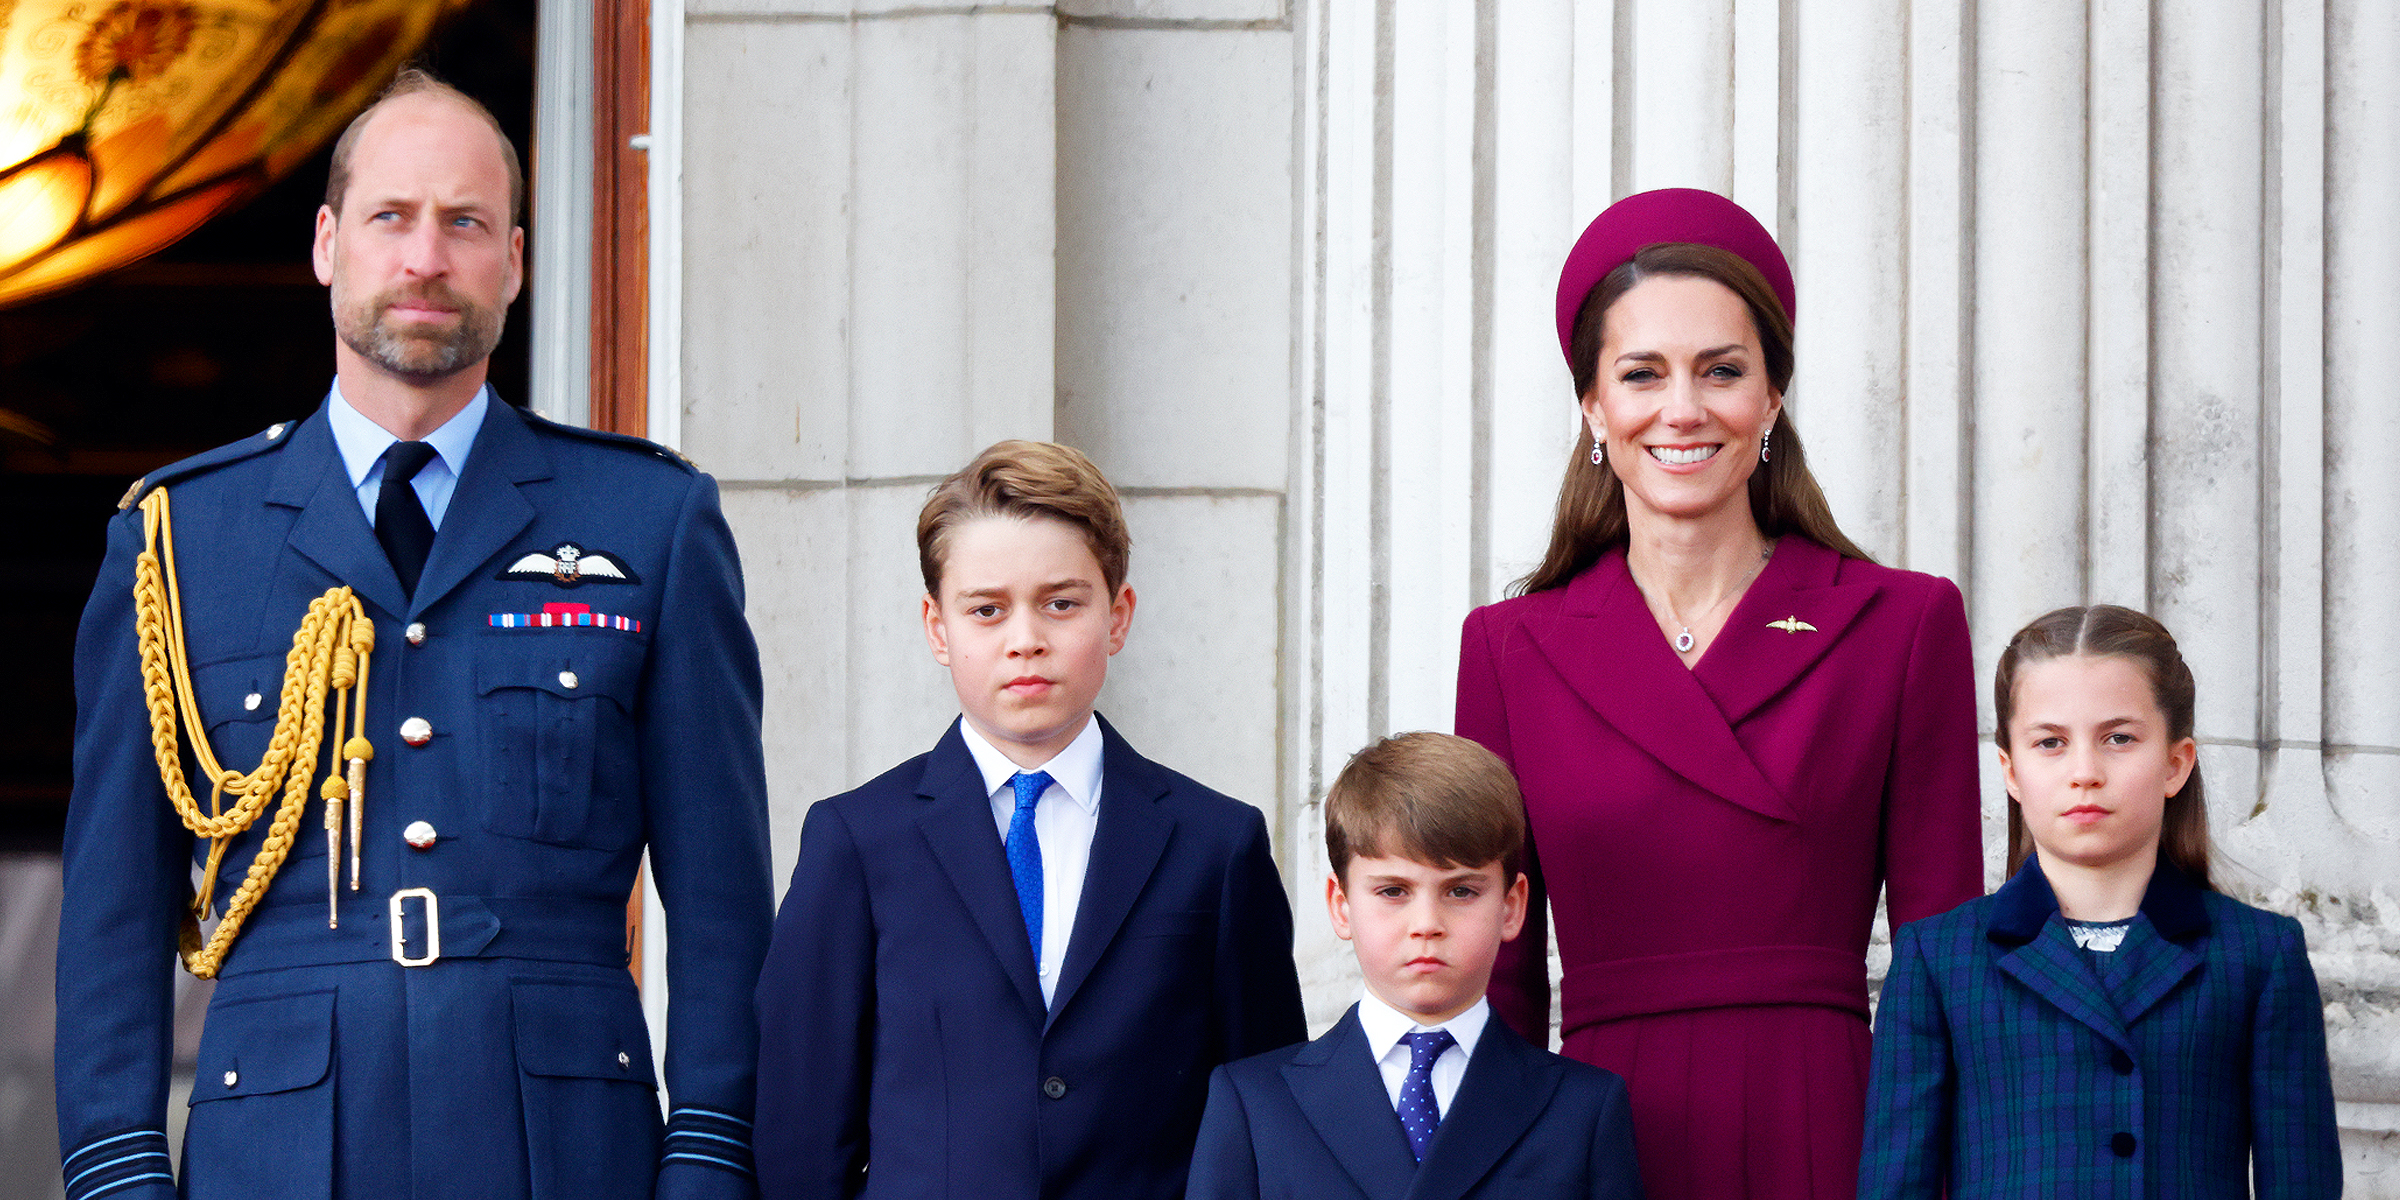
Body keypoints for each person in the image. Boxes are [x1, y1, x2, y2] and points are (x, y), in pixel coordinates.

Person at [54, 70, 772, 1200]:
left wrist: (711, 1156)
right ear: (328, 244)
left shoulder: (649, 522)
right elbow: (112, 909)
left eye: (465, 222)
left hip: (568, 1152)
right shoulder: (180, 542)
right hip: (276, 1156)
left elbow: (723, 897)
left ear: (517, 261)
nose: (426, 257)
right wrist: (118, 1173)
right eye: (392, 216)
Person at [1452, 188, 1984, 1200]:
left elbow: (1941, 963)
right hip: (1592, 1134)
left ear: (1773, 396)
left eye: (1723, 371)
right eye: (1642, 374)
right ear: (1594, 406)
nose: (1682, 409)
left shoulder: (1903, 624)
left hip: (1829, 1128)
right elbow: (1501, 975)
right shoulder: (1509, 648)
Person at [752, 440, 1307, 1200]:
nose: (1026, 640)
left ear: (1118, 616)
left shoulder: (1217, 846)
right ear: (937, 627)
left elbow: (1267, 1121)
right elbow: (801, 1133)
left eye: (1061, 603)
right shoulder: (857, 842)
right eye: (986, 610)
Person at [1859, 605, 2342, 1198]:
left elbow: (2300, 1182)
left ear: (2175, 763)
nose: (2084, 772)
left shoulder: (2259, 955)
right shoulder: (1940, 958)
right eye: (2050, 742)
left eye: (2118, 738)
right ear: (2011, 771)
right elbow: (1895, 1183)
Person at [1186, 731, 1643, 1200]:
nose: (1426, 924)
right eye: (1393, 891)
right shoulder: (1254, 1104)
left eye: (1461, 891)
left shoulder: (1581, 1109)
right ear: (1341, 906)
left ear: (1512, 906)